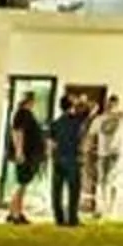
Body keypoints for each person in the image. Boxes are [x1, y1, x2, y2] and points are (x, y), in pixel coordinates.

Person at [49, 94, 91, 229]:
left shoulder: (55, 123)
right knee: (73, 190)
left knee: (57, 190)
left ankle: (59, 219)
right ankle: (72, 219)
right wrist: (82, 101)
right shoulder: (77, 120)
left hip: (58, 158)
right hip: (72, 158)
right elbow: (94, 108)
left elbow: (51, 143)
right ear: (72, 105)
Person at [4, 95, 47, 225]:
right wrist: (19, 151)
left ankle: (14, 211)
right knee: (22, 183)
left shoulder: (25, 114)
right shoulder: (23, 114)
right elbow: (18, 132)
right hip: (26, 154)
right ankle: (16, 212)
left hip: (29, 154)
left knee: (23, 183)